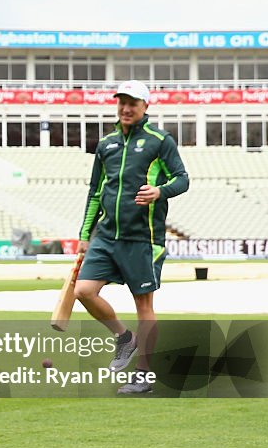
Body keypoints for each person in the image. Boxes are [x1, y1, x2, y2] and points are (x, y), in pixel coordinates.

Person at [73, 80, 189, 394]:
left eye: (133, 103)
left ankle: (143, 375)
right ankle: (124, 338)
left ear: (145, 107)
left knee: (144, 307)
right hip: (106, 236)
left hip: (143, 238)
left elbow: (182, 179)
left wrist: (159, 191)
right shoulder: (106, 144)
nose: (126, 108)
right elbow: (95, 192)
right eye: (122, 102)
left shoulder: (159, 141)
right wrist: (85, 234)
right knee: (83, 291)